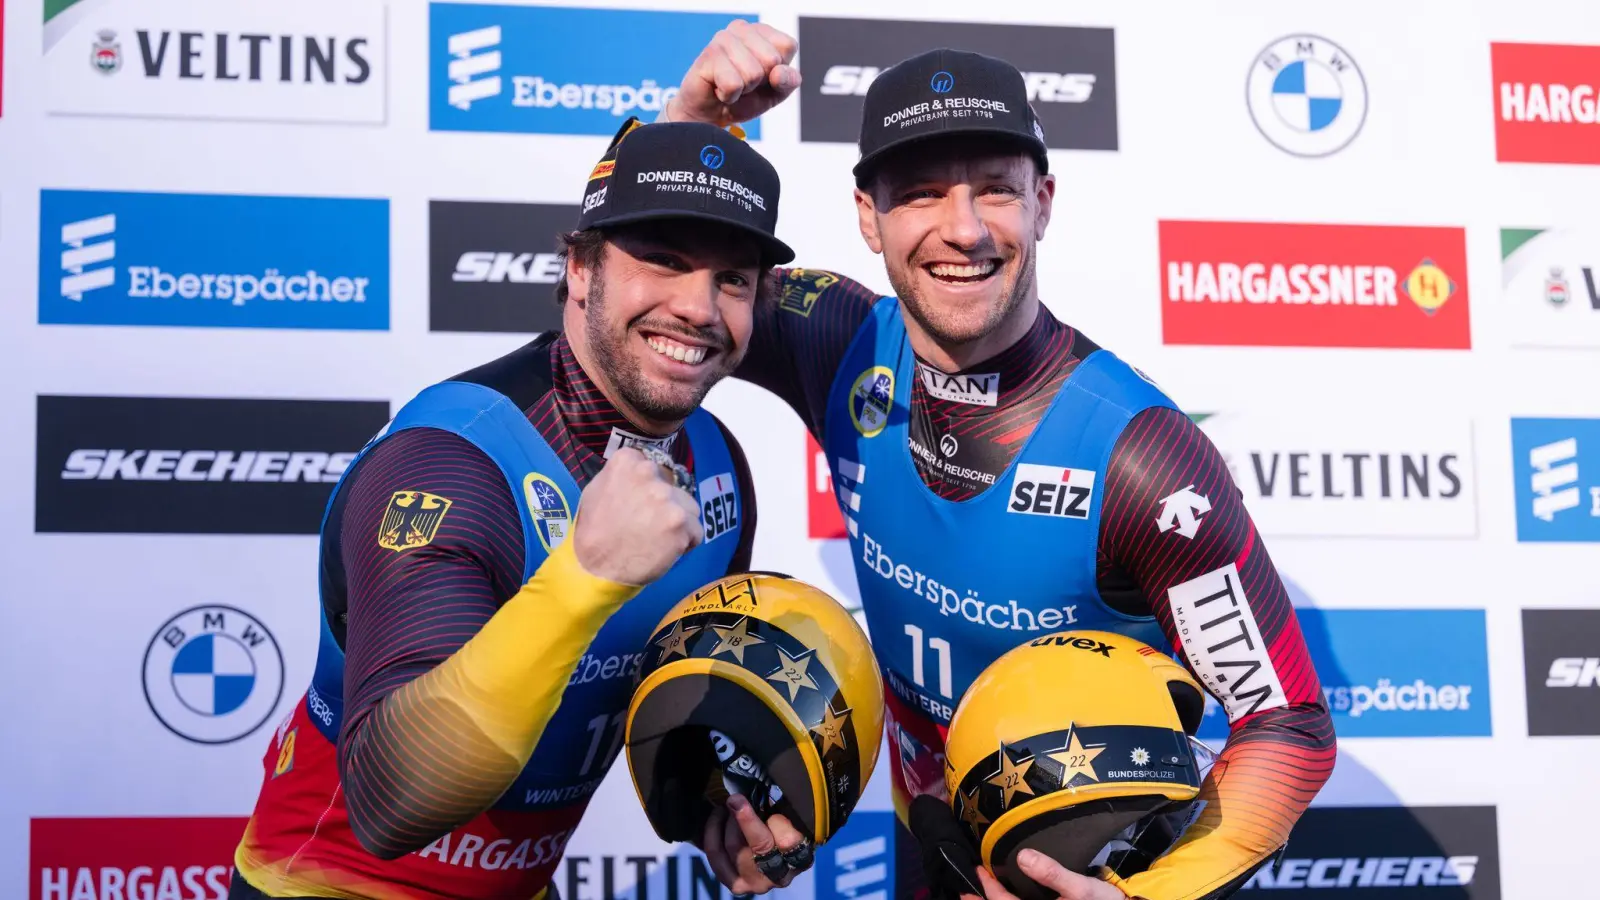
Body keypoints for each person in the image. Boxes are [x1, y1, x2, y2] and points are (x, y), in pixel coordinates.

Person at [656, 24, 1337, 900]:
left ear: (1044, 202)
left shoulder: (1143, 457)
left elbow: (1289, 724)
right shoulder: (838, 337)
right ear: (868, 216)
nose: (964, 230)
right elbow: (643, 298)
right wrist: (690, 125)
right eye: (923, 193)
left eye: (997, 192)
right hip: (926, 857)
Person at [228, 119, 813, 899]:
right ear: (578, 268)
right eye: (664, 261)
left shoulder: (719, 468)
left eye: (732, 279)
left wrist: (716, 810)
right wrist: (586, 574)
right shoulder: (451, 460)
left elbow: (657, 697)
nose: (699, 307)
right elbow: (389, 801)